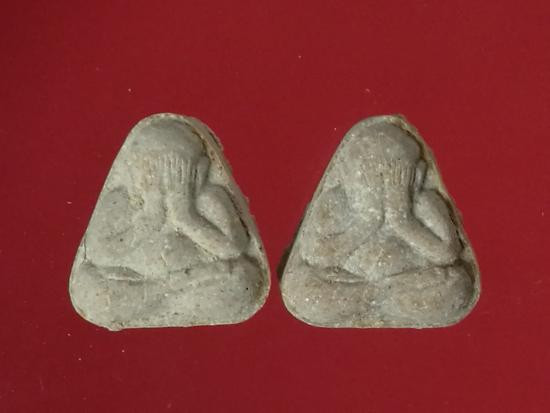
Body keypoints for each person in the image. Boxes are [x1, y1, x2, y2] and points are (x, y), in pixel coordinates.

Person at [71, 118, 261, 329]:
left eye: (177, 171)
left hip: (195, 279)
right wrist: (150, 221)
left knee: (244, 278)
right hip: (136, 283)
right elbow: (98, 254)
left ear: (200, 171)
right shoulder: (119, 201)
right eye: (150, 171)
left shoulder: (209, 199)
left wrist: (187, 218)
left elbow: (234, 249)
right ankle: (162, 296)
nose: (162, 182)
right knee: (91, 290)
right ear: (131, 171)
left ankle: (159, 301)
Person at [287, 122, 474, 326]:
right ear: (344, 175)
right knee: (300, 289)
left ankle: (384, 301)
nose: (380, 187)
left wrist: (402, 221)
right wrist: (366, 224)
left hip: (408, 280)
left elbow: (447, 254)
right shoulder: (334, 202)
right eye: (366, 177)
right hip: (349, 282)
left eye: (395, 177)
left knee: (457, 285)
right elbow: (314, 255)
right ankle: (380, 300)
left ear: (417, 176)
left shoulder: (422, 201)